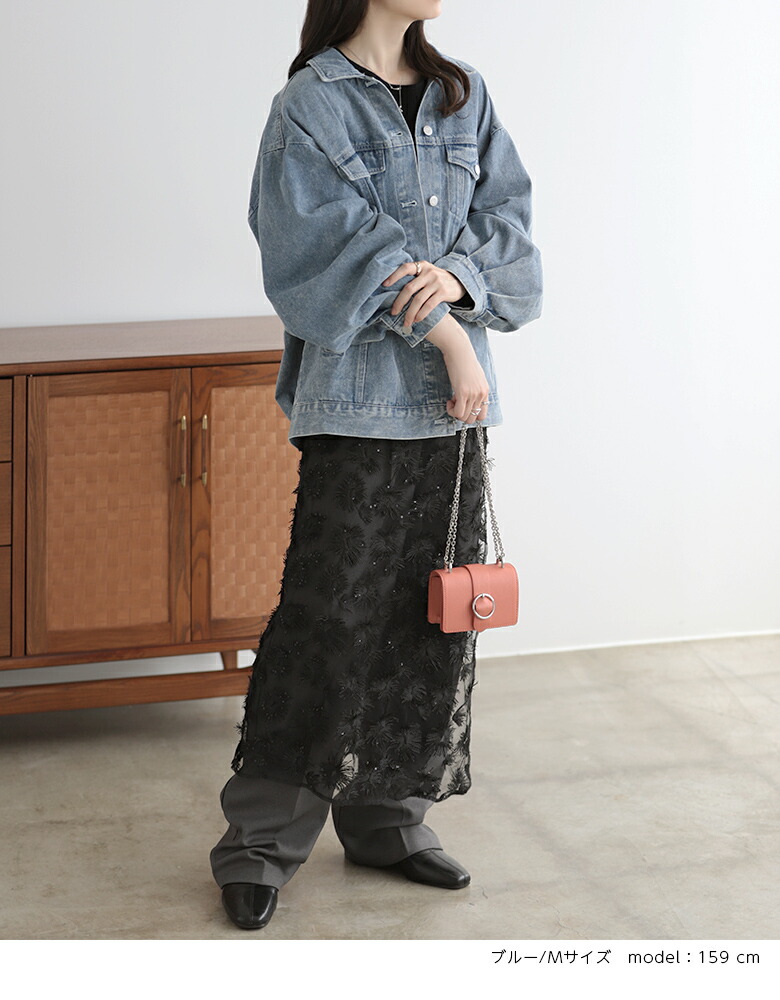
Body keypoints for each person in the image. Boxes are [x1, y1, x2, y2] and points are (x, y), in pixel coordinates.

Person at [210, 0, 543, 931]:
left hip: (452, 417)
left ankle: (389, 823)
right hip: (360, 408)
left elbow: (511, 229)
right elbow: (318, 253)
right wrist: (450, 337)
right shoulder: (310, 106)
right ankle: (260, 846)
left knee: (427, 620)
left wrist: (463, 277)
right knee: (326, 624)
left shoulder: (462, 95)